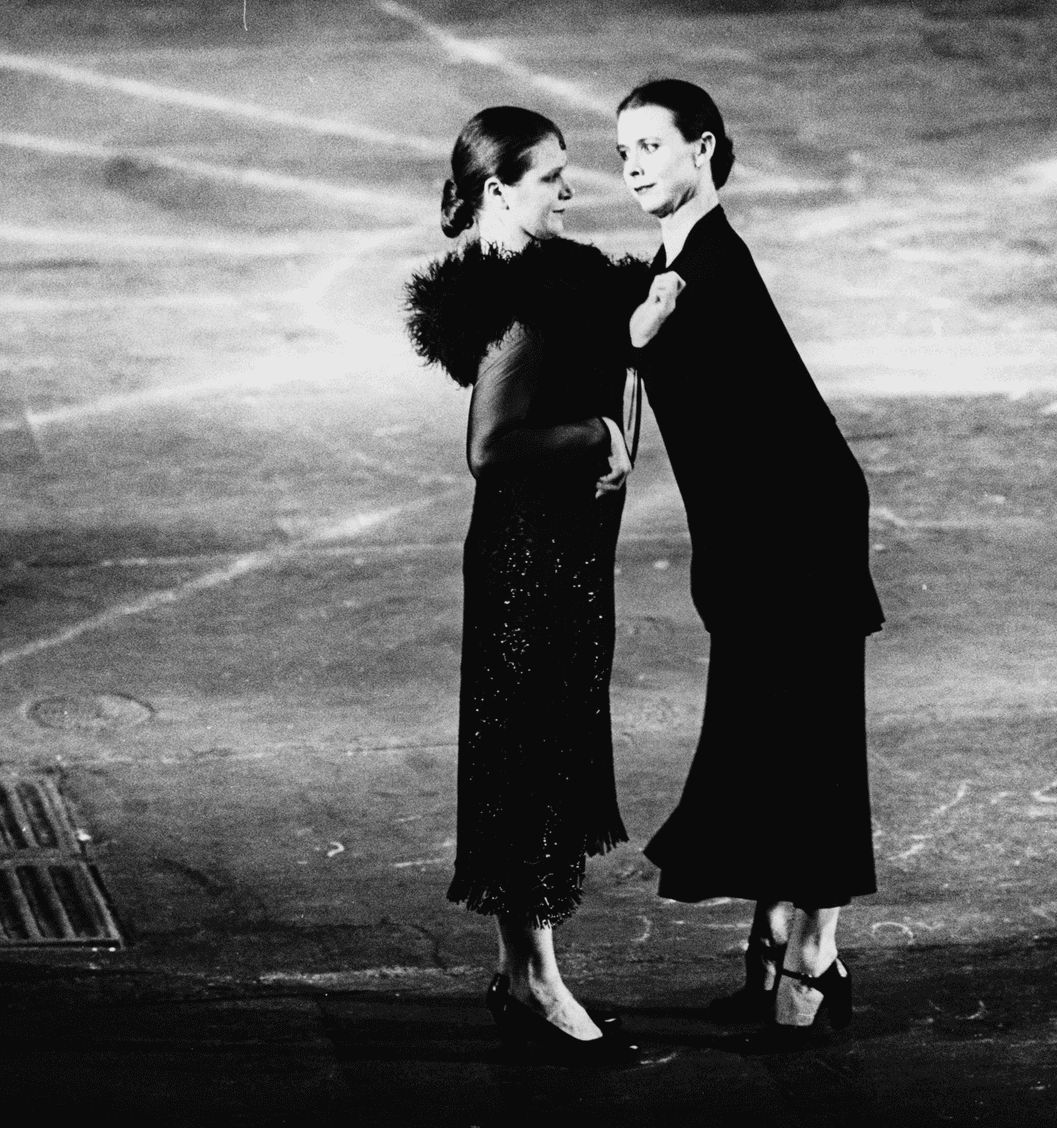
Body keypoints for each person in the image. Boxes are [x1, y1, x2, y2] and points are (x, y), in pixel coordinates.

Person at [617, 79, 886, 1047]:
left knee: (806, 750)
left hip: (798, 540)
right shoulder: (676, 259)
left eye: (652, 145)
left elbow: (758, 431)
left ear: (704, 148)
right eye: (625, 154)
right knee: (770, 744)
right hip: (759, 543)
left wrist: (635, 336)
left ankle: (813, 956)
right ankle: (777, 940)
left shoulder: (714, 265)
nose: (637, 165)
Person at [403, 106, 650, 1065]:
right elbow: (491, 446)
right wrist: (599, 437)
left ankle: (522, 972)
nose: (571, 189)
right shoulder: (512, 300)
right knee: (529, 756)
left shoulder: (556, 277)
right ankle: (536, 981)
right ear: (500, 188)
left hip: (568, 553)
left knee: (541, 749)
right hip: (528, 565)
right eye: (553, 177)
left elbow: (608, 323)